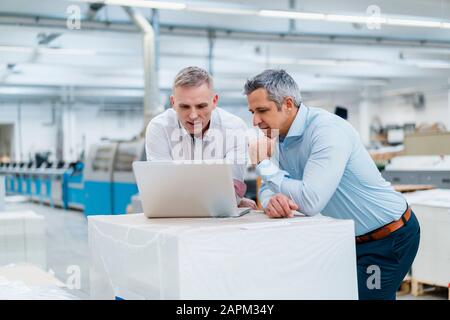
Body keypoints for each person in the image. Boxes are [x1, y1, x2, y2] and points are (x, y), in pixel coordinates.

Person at [244, 69, 420, 300]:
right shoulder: (278, 138)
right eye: (252, 112)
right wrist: (271, 202)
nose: (255, 121)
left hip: (387, 238)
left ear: (287, 104)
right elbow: (270, 186)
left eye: (262, 111)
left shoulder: (327, 131)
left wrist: (264, 165)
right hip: (344, 239)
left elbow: (310, 200)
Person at [145, 66, 256, 209]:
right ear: (173, 103)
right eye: (184, 107)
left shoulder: (234, 128)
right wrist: (224, 196)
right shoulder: (159, 127)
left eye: (201, 106)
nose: (193, 115)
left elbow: (231, 192)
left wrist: (232, 198)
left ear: (214, 101)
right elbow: (161, 190)